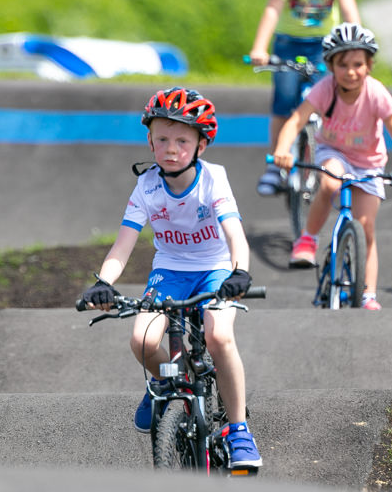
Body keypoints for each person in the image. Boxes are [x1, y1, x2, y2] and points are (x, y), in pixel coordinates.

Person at [80, 87, 262, 469]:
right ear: (149, 142)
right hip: (170, 270)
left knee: (219, 336)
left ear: (201, 146)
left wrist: (240, 271)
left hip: (215, 269)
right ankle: (165, 381)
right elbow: (122, 246)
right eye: (162, 139)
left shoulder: (214, 179)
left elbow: (234, 235)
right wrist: (104, 282)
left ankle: (239, 428)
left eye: (182, 140)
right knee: (141, 339)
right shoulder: (146, 186)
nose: (171, 148)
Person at [272, 23, 392, 310]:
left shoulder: (376, 93)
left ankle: (368, 294)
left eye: (358, 64)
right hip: (334, 152)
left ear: (369, 66)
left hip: (369, 163)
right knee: (329, 183)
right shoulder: (324, 89)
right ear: (330, 66)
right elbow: (295, 121)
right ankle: (307, 240)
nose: (351, 71)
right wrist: (282, 149)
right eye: (343, 65)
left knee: (366, 229)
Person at [248, 0, 361, 197]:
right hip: (288, 44)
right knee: (283, 102)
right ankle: (276, 163)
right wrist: (259, 48)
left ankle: (335, 162)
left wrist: (355, 45)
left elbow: (348, 10)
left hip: (324, 45)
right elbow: (273, 9)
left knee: (328, 101)